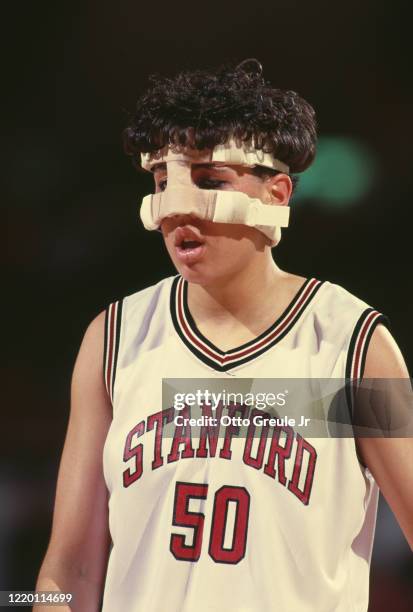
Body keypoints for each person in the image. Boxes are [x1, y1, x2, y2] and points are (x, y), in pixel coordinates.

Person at [35, 60, 412, 612]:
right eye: (164, 183)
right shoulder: (115, 337)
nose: (179, 208)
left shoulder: (354, 343)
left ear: (277, 193)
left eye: (210, 181)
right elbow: (69, 570)